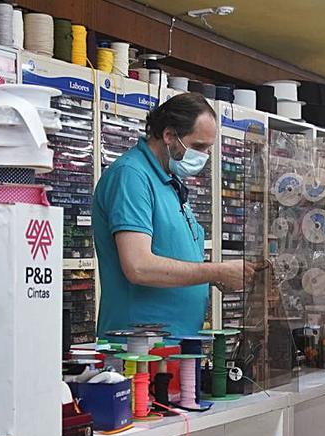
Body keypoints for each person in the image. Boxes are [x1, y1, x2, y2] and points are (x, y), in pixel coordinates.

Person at [93, 92, 256, 338]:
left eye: (208, 149)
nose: (204, 156)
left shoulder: (170, 181)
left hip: (176, 346)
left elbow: (172, 254)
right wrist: (216, 271)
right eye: (199, 146)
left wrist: (214, 277)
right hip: (139, 350)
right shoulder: (132, 176)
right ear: (169, 135)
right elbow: (139, 267)